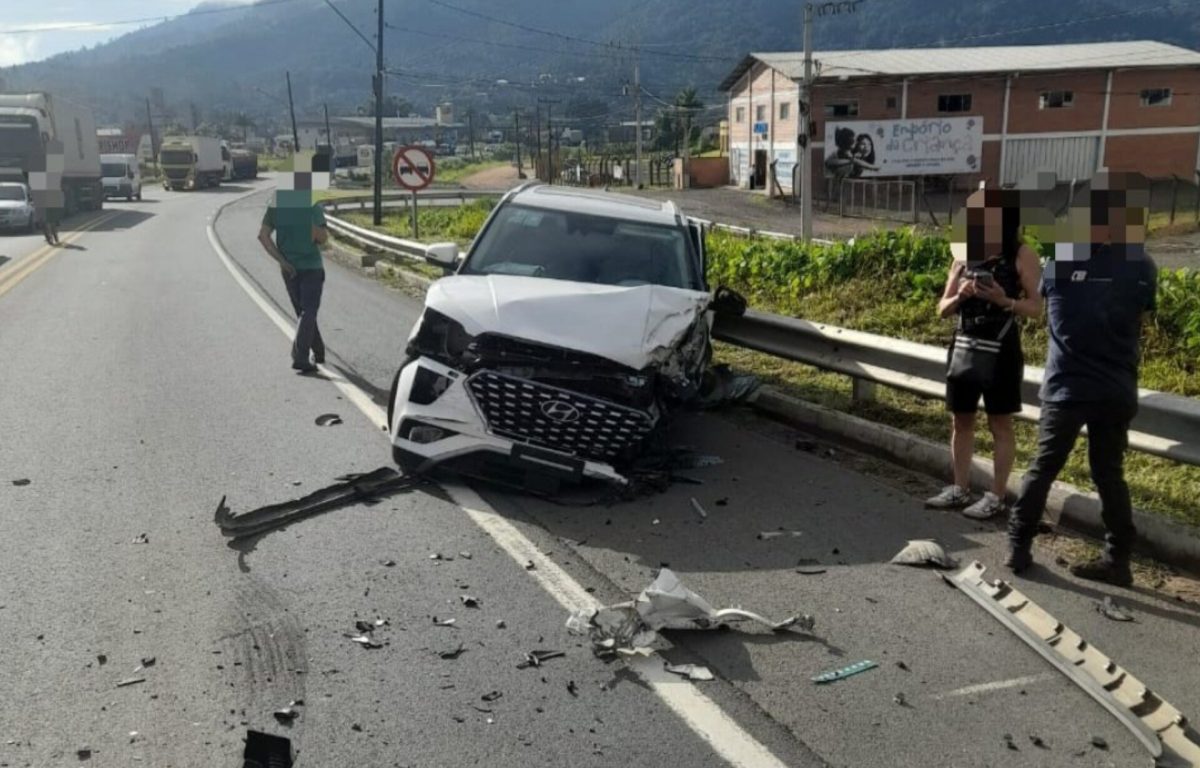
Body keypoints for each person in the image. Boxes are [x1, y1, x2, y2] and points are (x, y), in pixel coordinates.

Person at [1006, 172, 1156, 586]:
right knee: (1109, 474)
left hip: (1067, 386)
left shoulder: (1062, 262)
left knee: (1044, 468)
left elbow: (1052, 309)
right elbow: (1140, 319)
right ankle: (1118, 559)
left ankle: (1018, 546)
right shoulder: (1142, 265)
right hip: (1116, 387)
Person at [926, 188, 1042, 519]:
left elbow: (1036, 308)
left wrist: (1004, 300)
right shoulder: (963, 256)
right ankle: (959, 488)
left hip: (1001, 349)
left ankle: (996, 495)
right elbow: (942, 309)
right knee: (960, 420)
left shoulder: (1021, 254)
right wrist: (960, 296)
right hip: (964, 344)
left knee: (999, 423)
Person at [257, 152, 331, 373]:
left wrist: (282, 260)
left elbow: (263, 236)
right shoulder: (310, 204)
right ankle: (300, 356)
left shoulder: (277, 204)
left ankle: (318, 351)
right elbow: (322, 237)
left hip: (288, 268)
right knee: (309, 311)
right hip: (311, 267)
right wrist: (312, 229)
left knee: (304, 312)